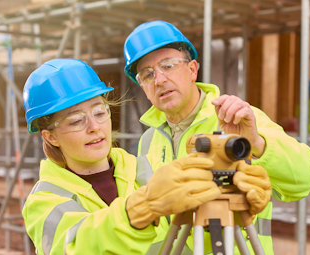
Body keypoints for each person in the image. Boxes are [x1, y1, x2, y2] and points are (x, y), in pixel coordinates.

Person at [123, 20, 310, 254]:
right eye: (147, 74)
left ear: (193, 69)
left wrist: (256, 143)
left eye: (168, 65)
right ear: (142, 86)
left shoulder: (238, 121)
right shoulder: (148, 140)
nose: (160, 80)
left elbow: (304, 177)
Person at [21, 58, 227, 255]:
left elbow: (191, 238)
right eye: (76, 121)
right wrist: (135, 212)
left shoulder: (148, 168)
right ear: (50, 137)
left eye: (100, 113)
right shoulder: (44, 201)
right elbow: (77, 246)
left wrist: (224, 206)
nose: (95, 127)